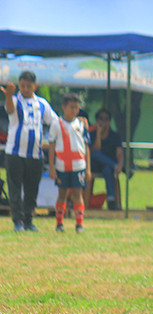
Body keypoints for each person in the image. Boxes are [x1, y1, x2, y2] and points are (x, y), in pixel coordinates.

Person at [3, 71, 57, 232]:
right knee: (15, 187)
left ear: (35, 86)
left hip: (35, 154)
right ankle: (17, 221)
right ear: (19, 85)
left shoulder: (42, 104)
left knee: (32, 189)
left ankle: (29, 220)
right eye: (23, 86)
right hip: (14, 152)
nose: (26, 89)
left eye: (29, 86)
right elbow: (10, 110)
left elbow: (54, 122)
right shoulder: (13, 100)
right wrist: (8, 95)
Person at [47, 93, 91, 234]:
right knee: (62, 193)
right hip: (62, 165)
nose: (74, 110)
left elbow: (86, 147)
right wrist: (52, 167)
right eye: (72, 107)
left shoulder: (82, 124)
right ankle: (59, 223)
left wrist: (88, 169)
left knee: (78, 193)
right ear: (64, 107)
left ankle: (79, 224)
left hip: (78, 165)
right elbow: (52, 147)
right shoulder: (56, 124)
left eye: (76, 108)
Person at [88, 108, 124, 210]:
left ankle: (111, 200)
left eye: (106, 119)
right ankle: (114, 164)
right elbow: (95, 150)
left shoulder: (115, 136)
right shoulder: (92, 134)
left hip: (108, 167)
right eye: (101, 119)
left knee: (108, 169)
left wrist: (120, 165)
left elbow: (120, 153)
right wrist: (99, 134)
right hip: (94, 165)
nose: (104, 122)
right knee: (95, 154)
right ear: (97, 121)